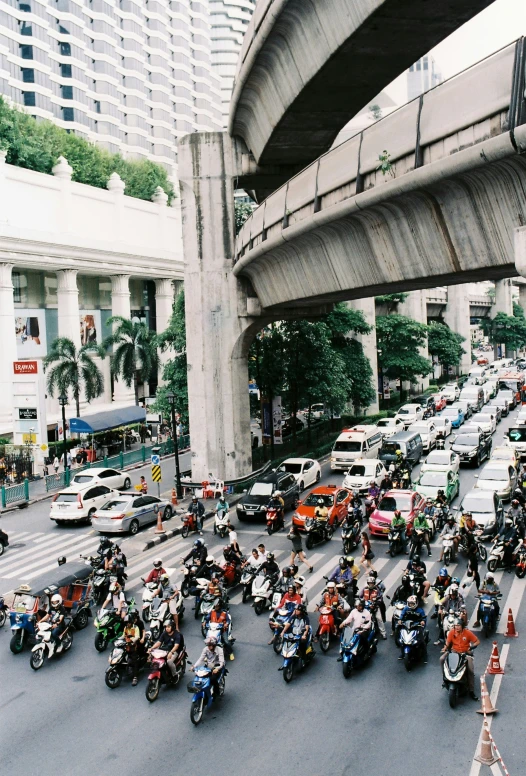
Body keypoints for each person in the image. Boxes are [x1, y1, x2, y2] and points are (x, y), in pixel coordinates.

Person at [440, 621, 480, 700]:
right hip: (454, 652)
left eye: (458, 625)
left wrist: (471, 648)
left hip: (465, 653)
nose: (456, 627)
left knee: (470, 670)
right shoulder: (452, 632)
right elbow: (447, 643)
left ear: (462, 626)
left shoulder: (467, 633)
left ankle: (471, 691)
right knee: (441, 659)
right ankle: (445, 678)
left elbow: (477, 641)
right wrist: (445, 648)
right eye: (455, 626)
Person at [397, 595, 428, 663]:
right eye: (409, 603)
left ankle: (425, 656)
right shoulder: (406, 608)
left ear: (416, 603)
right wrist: (400, 620)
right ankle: (402, 654)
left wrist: (423, 622)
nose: (411, 605)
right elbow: (402, 615)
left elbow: (424, 618)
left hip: (417, 626)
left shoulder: (420, 610)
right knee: (401, 639)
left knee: (421, 641)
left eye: (412, 603)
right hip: (407, 625)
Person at [123, 609, 143, 686]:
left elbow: (137, 637)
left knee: (135, 661)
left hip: (134, 646)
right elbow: (123, 635)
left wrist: (131, 641)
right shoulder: (125, 628)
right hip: (127, 646)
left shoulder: (136, 627)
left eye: (128, 623)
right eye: (126, 623)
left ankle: (135, 677)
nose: (127, 624)